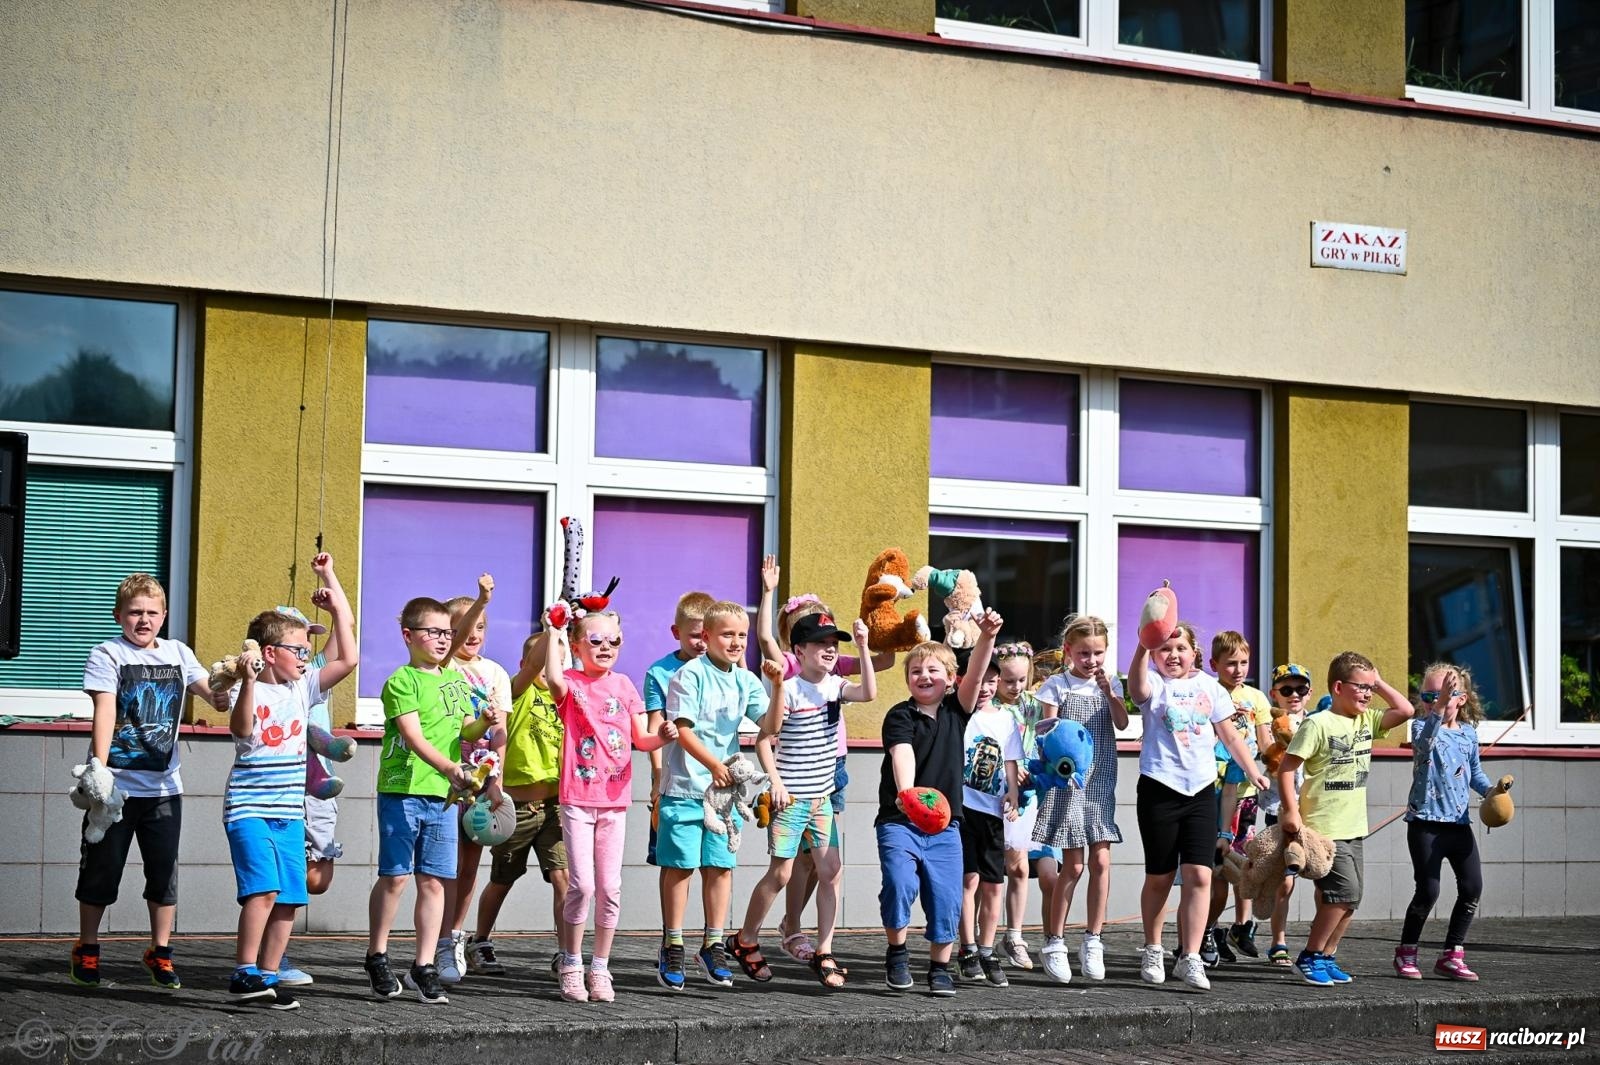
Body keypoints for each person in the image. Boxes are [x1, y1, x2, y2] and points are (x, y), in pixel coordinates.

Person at [71, 573, 229, 990]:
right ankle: (87, 949)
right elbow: (104, 710)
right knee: (102, 871)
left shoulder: (178, 652)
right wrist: (99, 768)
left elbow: (210, 692)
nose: (143, 620)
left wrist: (227, 686)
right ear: (118, 615)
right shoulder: (108, 653)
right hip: (114, 789)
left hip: (164, 789)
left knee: (163, 874)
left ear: (164, 616)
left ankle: (159, 953)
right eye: (135, 612)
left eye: (151, 613)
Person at [224, 556, 357, 1009]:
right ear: (268, 654)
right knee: (262, 890)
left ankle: (266, 976)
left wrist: (335, 601)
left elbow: (349, 658)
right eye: (297, 650)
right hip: (249, 810)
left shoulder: (303, 688)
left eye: (306, 651)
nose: (305, 658)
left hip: (288, 812)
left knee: (291, 898)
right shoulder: (255, 688)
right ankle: (243, 971)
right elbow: (242, 731)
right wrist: (245, 681)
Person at [754, 555, 893, 964]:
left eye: (832, 635)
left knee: (822, 864)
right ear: (797, 641)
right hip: (795, 775)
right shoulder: (792, 668)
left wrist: (882, 623)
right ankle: (792, 926)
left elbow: (879, 670)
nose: (829, 645)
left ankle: (802, 932)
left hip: (833, 770)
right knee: (795, 862)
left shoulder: (835, 672)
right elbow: (764, 639)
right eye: (819, 635)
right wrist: (767, 592)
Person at [730, 614, 875, 989]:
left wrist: (862, 645)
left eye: (834, 643)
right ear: (799, 650)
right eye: (821, 643)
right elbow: (766, 737)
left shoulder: (836, 685)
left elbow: (869, 693)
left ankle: (825, 949)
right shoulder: (790, 689)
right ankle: (745, 941)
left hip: (821, 800)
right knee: (780, 874)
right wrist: (775, 782)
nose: (830, 649)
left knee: (831, 871)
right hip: (791, 800)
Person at [365, 596, 497, 1005]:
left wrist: (485, 723)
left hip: (442, 795)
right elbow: (413, 737)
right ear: (409, 635)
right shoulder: (401, 681)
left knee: (434, 881)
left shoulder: (454, 681)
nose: (443, 640)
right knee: (396, 877)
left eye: (447, 633)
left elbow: (467, 734)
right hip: (403, 791)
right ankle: (377, 955)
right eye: (434, 632)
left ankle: (423, 965)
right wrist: (449, 768)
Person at [543, 606, 677, 1002]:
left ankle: (600, 967)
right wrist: (554, 632)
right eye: (596, 641)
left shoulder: (623, 685)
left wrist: (664, 736)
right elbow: (551, 677)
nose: (605, 648)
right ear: (577, 646)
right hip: (578, 799)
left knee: (610, 886)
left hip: (615, 801)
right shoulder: (570, 682)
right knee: (581, 885)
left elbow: (642, 739)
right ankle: (571, 963)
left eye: (613, 641)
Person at [1127, 621, 1268, 991]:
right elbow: (1136, 687)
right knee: (1159, 876)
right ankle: (1153, 948)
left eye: (1180, 648)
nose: (1173, 655)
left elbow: (1231, 735)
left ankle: (1189, 956)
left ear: (1195, 653)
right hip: (1160, 788)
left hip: (1202, 791)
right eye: (1165, 649)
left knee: (1201, 875)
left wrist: (1254, 772)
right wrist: (1144, 644)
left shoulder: (1210, 688)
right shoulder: (1155, 684)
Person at [878, 610, 1003, 998]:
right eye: (915, 671)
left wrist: (986, 637)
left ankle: (939, 967)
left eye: (933, 669)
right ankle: (897, 953)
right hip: (900, 821)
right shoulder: (900, 715)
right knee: (899, 884)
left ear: (951, 679)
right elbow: (902, 754)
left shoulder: (957, 711)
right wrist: (909, 794)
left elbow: (979, 672)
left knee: (947, 897)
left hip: (947, 826)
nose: (924, 676)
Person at [1276, 650, 1413, 987]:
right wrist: (1292, 811)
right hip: (1324, 827)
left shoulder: (1366, 721)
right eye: (1361, 686)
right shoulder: (1318, 723)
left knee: (1352, 900)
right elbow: (1286, 768)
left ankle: (1326, 955)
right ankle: (1309, 956)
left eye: (1371, 687)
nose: (1368, 693)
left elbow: (1406, 711)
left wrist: (1378, 681)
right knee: (1344, 895)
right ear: (1338, 687)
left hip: (1354, 827)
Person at [657, 600, 768, 991]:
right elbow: (682, 730)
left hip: (723, 797)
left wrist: (781, 682)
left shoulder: (746, 679)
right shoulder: (689, 675)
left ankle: (713, 943)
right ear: (706, 638)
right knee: (680, 866)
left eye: (742, 635)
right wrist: (714, 765)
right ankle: (672, 943)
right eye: (727, 634)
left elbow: (770, 726)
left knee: (720, 867)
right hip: (686, 787)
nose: (736, 642)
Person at [1030, 615, 1128, 984]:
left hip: (1101, 779)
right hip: (1068, 781)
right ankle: (1055, 941)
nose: (1092, 660)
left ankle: (1093, 939)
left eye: (1098, 653)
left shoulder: (1110, 682)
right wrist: (1058, 766)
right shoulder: (1057, 685)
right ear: (1069, 651)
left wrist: (1110, 693)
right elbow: (1046, 731)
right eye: (1084, 653)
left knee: (1101, 859)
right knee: (1072, 866)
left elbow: (1121, 723)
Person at [468, 631, 567, 977]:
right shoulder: (517, 692)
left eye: (560, 660)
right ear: (526, 664)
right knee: (503, 877)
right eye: (542, 661)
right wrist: (555, 629)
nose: (551, 666)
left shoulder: (564, 696)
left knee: (563, 878)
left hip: (555, 807)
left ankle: (566, 950)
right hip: (517, 809)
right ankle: (479, 939)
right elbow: (536, 664)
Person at [438, 575, 513, 984]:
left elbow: (500, 733)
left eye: (482, 626)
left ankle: (453, 936)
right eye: (468, 626)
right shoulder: (443, 666)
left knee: (469, 863)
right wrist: (481, 601)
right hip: (443, 776)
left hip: (479, 780)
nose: (475, 634)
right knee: (439, 864)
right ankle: (431, 935)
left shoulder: (496, 674)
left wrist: (494, 781)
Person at [1396, 662, 1491, 982]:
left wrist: (1492, 792)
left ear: (1461, 699)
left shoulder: (1468, 734)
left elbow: (1475, 773)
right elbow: (1424, 744)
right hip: (1425, 823)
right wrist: (1437, 706)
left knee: (1472, 887)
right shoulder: (1420, 726)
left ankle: (1452, 954)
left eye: (1444, 695)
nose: (1431, 701)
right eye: (1427, 695)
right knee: (1428, 890)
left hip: (1458, 824)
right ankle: (1406, 952)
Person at [1202, 630, 1273, 967]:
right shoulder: (1206, 692)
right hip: (1209, 790)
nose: (1239, 669)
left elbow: (1266, 742)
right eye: (1231, 663)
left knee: (1241, 866)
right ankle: (1206, 930)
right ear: (1215, 664)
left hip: (1242, 794)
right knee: (1213, 870)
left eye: (1244, 662)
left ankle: (1238, 928)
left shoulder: (1256, 699)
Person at [955, 643, 1023, 987]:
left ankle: (986, 949)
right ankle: (966, 949)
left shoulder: (1006, 719)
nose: (985, 687)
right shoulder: (958, 713)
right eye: (979, 679)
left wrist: (1012, 791)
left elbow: (1011, 759)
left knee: (994, 884)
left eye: (992, 680)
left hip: (992, 812)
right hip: (962, 810)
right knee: (968, 880)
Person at [644, 590, 714, 869]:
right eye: (695, 635)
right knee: (674, 863)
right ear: (676, 632)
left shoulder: (722, 668)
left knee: (715, 863)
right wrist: (658, 778)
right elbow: (654, 725)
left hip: (712, 779)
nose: (702, 643)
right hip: (673, 781)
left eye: (707, 635)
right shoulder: (659, 672)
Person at [990, 641, 1042, 970]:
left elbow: (1040, 739)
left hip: (1025, 794)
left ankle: (1014, 934)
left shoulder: (1032, 706)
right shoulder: (988, 707)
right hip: (993, 792)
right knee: (991, 871)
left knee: (1019, 866)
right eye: (1009, 681)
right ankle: (981, 938)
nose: (1016, 687)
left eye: (1022, 680)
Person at [1259, 662, 1311, 966]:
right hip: (1275, 809)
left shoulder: (1317, 723)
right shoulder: (1267, 723)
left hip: (1309, 811)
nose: (1294, 695)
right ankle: (1278, 941)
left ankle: (1317, 948)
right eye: (1286, 689)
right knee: (1283, 879)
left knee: (1310, 878)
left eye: (1300, 689)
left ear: (1309, 693)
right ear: (1274, 694)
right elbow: (1267, 756)